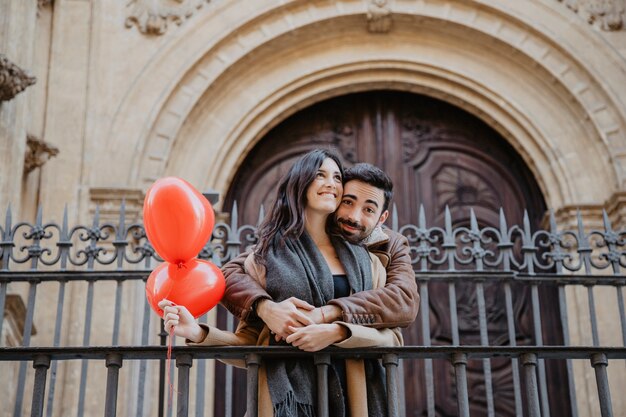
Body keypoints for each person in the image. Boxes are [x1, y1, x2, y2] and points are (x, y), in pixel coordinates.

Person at [160, 149, 402, 417]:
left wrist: (338, 332)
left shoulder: (369, 263)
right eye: (320, 174)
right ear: (301, 183)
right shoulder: (265, 259)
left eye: (336, 177)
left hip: (358, 398)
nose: (331, 183)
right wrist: (198, 333)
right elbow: (251, 344)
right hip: (285, 404)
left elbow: (392, 338)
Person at [221, 162, 419, 341]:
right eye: (348, 202)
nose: (353, 217)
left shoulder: (392, 244)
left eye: (368, 210)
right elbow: (231, 273)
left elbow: (404, 299)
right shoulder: (306, 237)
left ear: (382, 218)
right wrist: (266, 308)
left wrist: (331, 313)